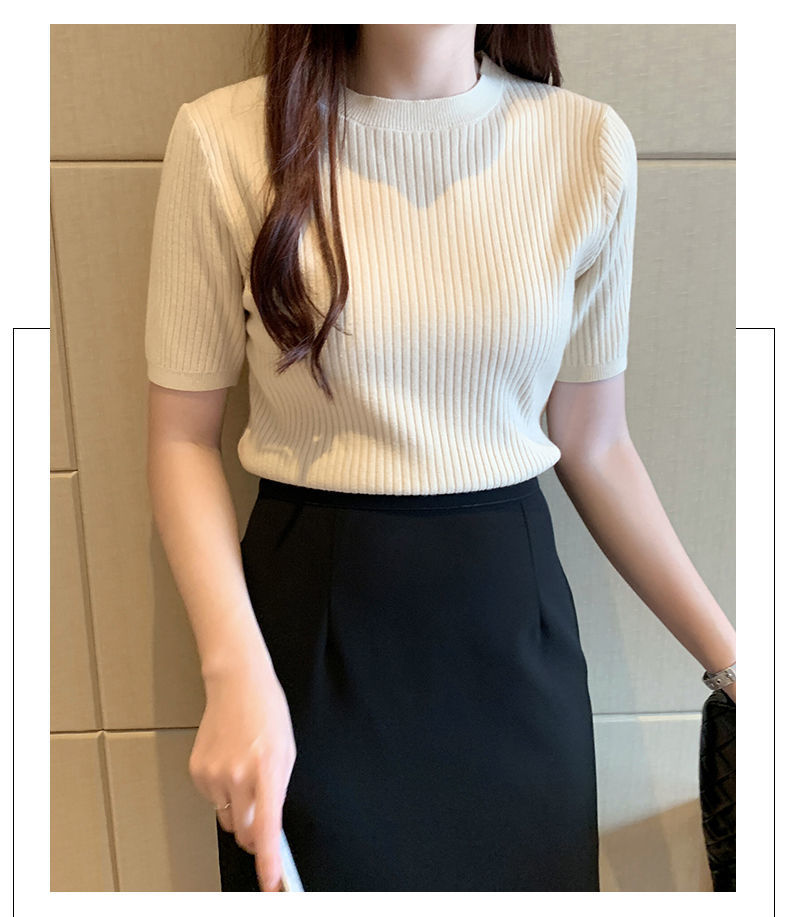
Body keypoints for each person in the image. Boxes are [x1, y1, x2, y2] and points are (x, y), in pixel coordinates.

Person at [145, 24, 736, 892]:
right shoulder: (223, 140)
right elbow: (180, 439)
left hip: (515, 638)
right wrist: (232, 672)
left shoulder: (586, 146)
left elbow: (595, 440)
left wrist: (738, 666)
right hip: (309, 642)